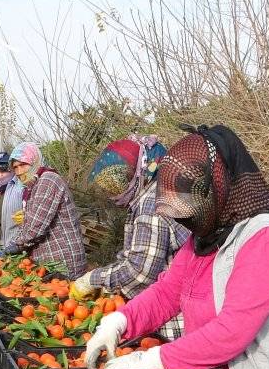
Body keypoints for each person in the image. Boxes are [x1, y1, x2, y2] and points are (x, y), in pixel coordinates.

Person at [85, 125, 269, 369]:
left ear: (218, 189)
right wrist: (118, 322)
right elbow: (167, 292)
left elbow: (233, 330)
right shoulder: (209, 235)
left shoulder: (267, 237)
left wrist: (152, 359)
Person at [70, 136, 189, 340]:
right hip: (167, 308)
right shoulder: (152, 194)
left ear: (140, 171)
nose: (113, 192)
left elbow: (140, 271)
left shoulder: (151, 204)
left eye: (119, 182)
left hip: (173, 322)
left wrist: (93, 279)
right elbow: (135, 255)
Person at [0, 142, 87, 278]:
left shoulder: (48, 180)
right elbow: (32, 221)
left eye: (23, 165)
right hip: (48, 262)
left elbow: (35, 227)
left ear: (35, 162)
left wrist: (10, 249)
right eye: (15, 167)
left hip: (63, 261)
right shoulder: (33, 186)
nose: (19, 171)